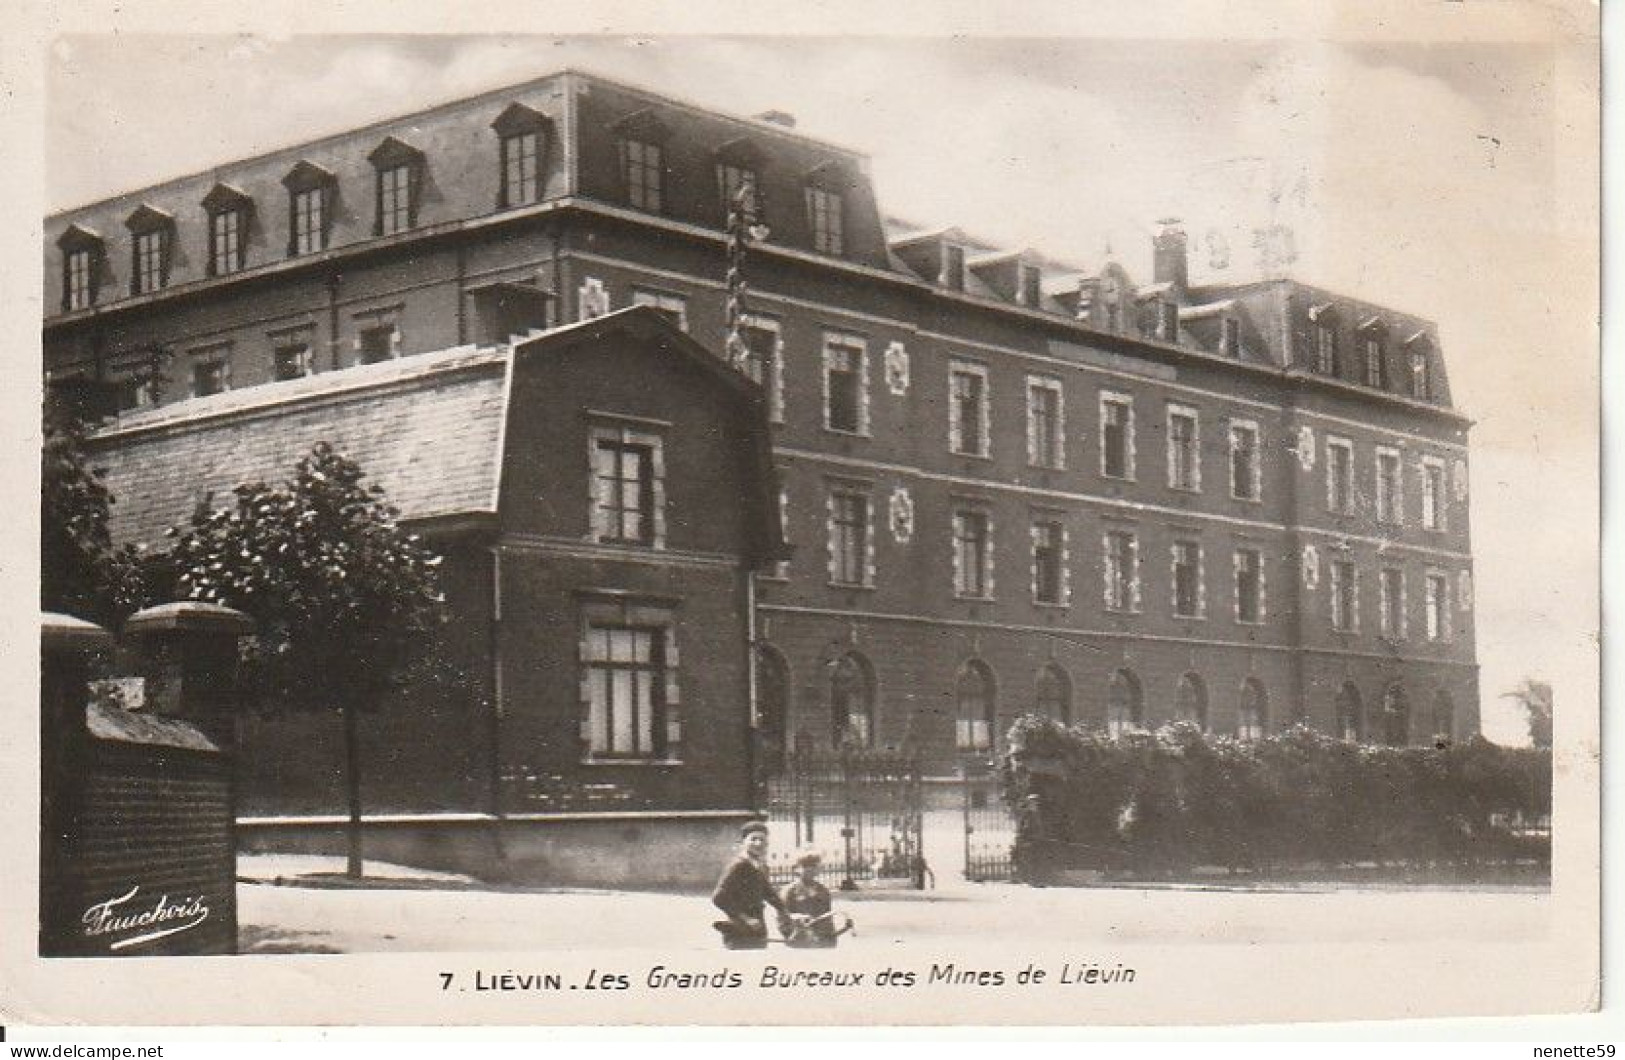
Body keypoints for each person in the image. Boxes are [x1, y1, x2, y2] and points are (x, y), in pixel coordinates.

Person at [710, 820, 786, 949]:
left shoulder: (761, 866)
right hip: (738, 927)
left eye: (762, 840)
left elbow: (768, 892)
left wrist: (784, 911)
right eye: (753, 839)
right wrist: (745, 918)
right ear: (743, 842)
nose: (758, 843)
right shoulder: (738, 865)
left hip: (758, 923)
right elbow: (718, 897)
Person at [778, 849, 840, 948]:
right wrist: (795, 922)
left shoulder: (823, 890)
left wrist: (831, 939)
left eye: (814, 866)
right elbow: (782, 918)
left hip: (823, 939)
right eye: (806, 866)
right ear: (797, 868)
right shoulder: (789, 891)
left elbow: (828, 917)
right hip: (799, 939)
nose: (811, 869)